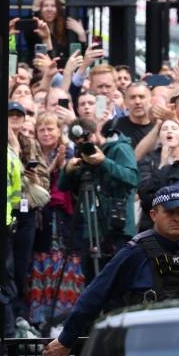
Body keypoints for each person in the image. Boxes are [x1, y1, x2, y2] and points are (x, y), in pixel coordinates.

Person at [42, 186, 179, 356]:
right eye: (169, 212)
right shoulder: (136, 252)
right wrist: (66, 339)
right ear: (154, 215)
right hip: (146, 351)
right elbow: (95, 295)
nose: (176, 218)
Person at [58, 117, 140, 276]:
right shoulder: (83, 158)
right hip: (91, 228)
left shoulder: (119, 148)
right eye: (79, 143)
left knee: (116, 280)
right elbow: (62, 187)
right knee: (91, 278)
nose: (85, 145)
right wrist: (67, 169)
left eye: (87, 140)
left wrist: (104, 162)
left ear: (95, 133)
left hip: (117, 228)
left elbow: (132, 179)